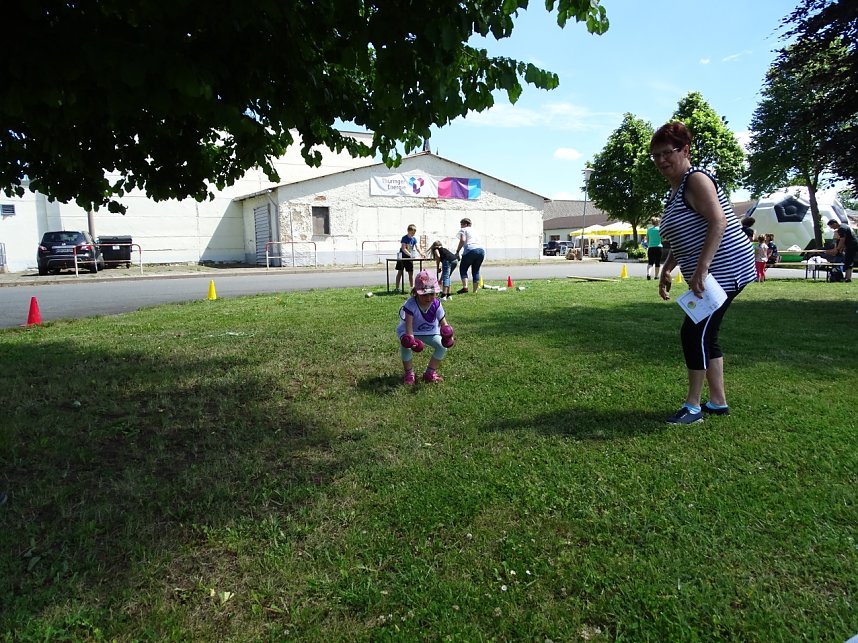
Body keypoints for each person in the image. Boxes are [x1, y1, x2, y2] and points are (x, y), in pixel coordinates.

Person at [650, 121, 756, 425]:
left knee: (693, 331)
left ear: (685, 150)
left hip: (727, 268)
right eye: (655, 156)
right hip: (711, 271)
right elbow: (682, 236)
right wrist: (668, 268)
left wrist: (701, 270)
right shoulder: (674, 190)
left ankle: (693, 408)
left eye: (666, 153)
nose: (661, 160)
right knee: (706, 334)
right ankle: (718, 401)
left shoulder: (696, 179)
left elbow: (719, 221)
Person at [396, 271, 453, 384]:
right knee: (405, 345)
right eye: (424, 294)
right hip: (411, 331)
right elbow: (409, 327)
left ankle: (430, 373)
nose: (428, 297)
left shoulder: (436, 304)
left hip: (429, 331)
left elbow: (444, 324)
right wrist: (411, 340)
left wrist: (448, 336)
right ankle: (409, 373)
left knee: (442, 347)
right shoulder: (410, 305)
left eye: (432, 294)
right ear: (416, 292)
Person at [455, 218, 485, 293]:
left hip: (470, 249)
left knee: (463, 268)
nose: (461, 226)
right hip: (481, 250)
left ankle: (465, 287)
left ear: (465, 224)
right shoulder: (475, 231)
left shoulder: (464, 230)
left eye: (461, 224)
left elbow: (462, 240)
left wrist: (457, 251)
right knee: (476, 270)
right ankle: (475, 291)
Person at [394, 224, 424, 293]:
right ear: (408, 231)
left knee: (411, 273)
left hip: (409, 258)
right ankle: (397, 288)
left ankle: (412, 288)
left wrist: (421, 253)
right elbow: (403, 248)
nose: (413, 234)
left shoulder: (414, 239)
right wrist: (410, 254)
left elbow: (417, 247)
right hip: (402, 257)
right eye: (412, 232)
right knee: (400, 272)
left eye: (414, 232)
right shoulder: (404, 238)